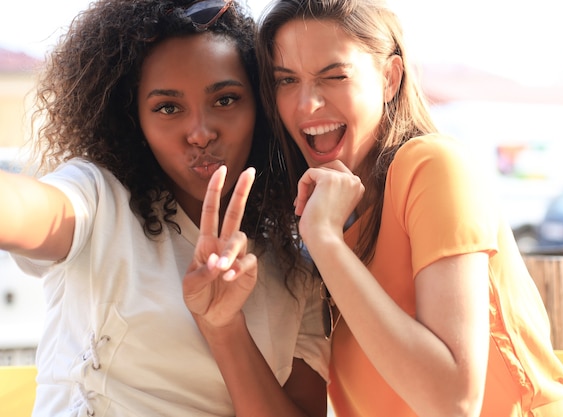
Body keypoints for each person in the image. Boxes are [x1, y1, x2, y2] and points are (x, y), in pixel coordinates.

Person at [256, 0, 563, 416]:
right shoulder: (326, 212)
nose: (306, 105)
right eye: (286, 81)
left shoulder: (431, 166)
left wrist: (324, 241)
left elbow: (453, 401)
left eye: (334, 75)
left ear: (390, 77)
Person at [0, 0, 330, 416]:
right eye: (168, 108)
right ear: (133, 120)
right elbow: (26, 210)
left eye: (225, 100)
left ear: (261, 110)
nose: (200, 132)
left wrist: (225, 328)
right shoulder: (100, 200)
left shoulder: (298, 271)